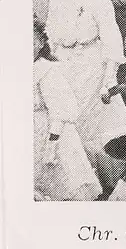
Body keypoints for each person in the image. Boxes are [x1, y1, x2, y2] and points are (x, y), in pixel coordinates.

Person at [43, 0, 126, 191]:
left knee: (93, 121)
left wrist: (109, 78)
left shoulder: (98, 0)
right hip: (64, 65)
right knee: (64, 120)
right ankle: (78, 184)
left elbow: (112, 41)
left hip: (92, 67)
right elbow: (50, 35)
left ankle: (110, 183)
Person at [33, 21, 102, 201]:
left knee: (64, 184)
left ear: (41, 43)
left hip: (53, 134)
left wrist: (51, 146)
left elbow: (60, 112)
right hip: (31, 134)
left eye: (31, 42)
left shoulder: (46, 70)